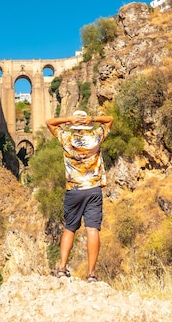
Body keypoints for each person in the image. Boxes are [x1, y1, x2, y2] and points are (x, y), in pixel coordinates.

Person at [46, 109, 113, 283]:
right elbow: (109, 120)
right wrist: (92, 119)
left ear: (73, 125)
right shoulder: (96, 137)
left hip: (73, 191)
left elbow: (49, 122)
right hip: (93, 189)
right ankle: (91, 274)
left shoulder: (66, 138)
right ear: (87, 124)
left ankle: (61, 268)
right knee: (92, 229)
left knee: (70, 228)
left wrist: (68, 119)